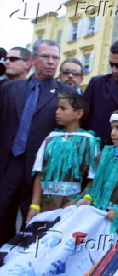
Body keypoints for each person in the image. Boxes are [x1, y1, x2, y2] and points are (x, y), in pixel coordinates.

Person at [0, 39, 72, 245]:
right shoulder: (9, 88)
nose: (51, 62)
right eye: (45, 56)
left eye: (55, 58)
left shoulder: (65, 93)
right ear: (32, 60)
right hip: (8, 164)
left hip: (41, 169)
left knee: (34, 224)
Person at [25, 92, 99, 223]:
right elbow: (39, 174)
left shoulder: (89, 142)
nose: (57, 112)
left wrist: (79, 199)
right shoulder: (50, 139)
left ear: (79, 113)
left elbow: (94, 177)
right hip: (45, 203)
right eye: (57, 108)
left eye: (63, 109)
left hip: (71, 204)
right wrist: (35, 205)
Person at [77, 109, 118, 234]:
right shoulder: (105, 154)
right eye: (112, 128)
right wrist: (88, 197)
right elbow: (95, 183)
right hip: (95, 220)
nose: (112, 133)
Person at [84, 40, 118, 146]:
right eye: (111, 64)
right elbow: (82, 118)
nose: (114, 70)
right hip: (97, 149)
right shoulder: (97, 84)